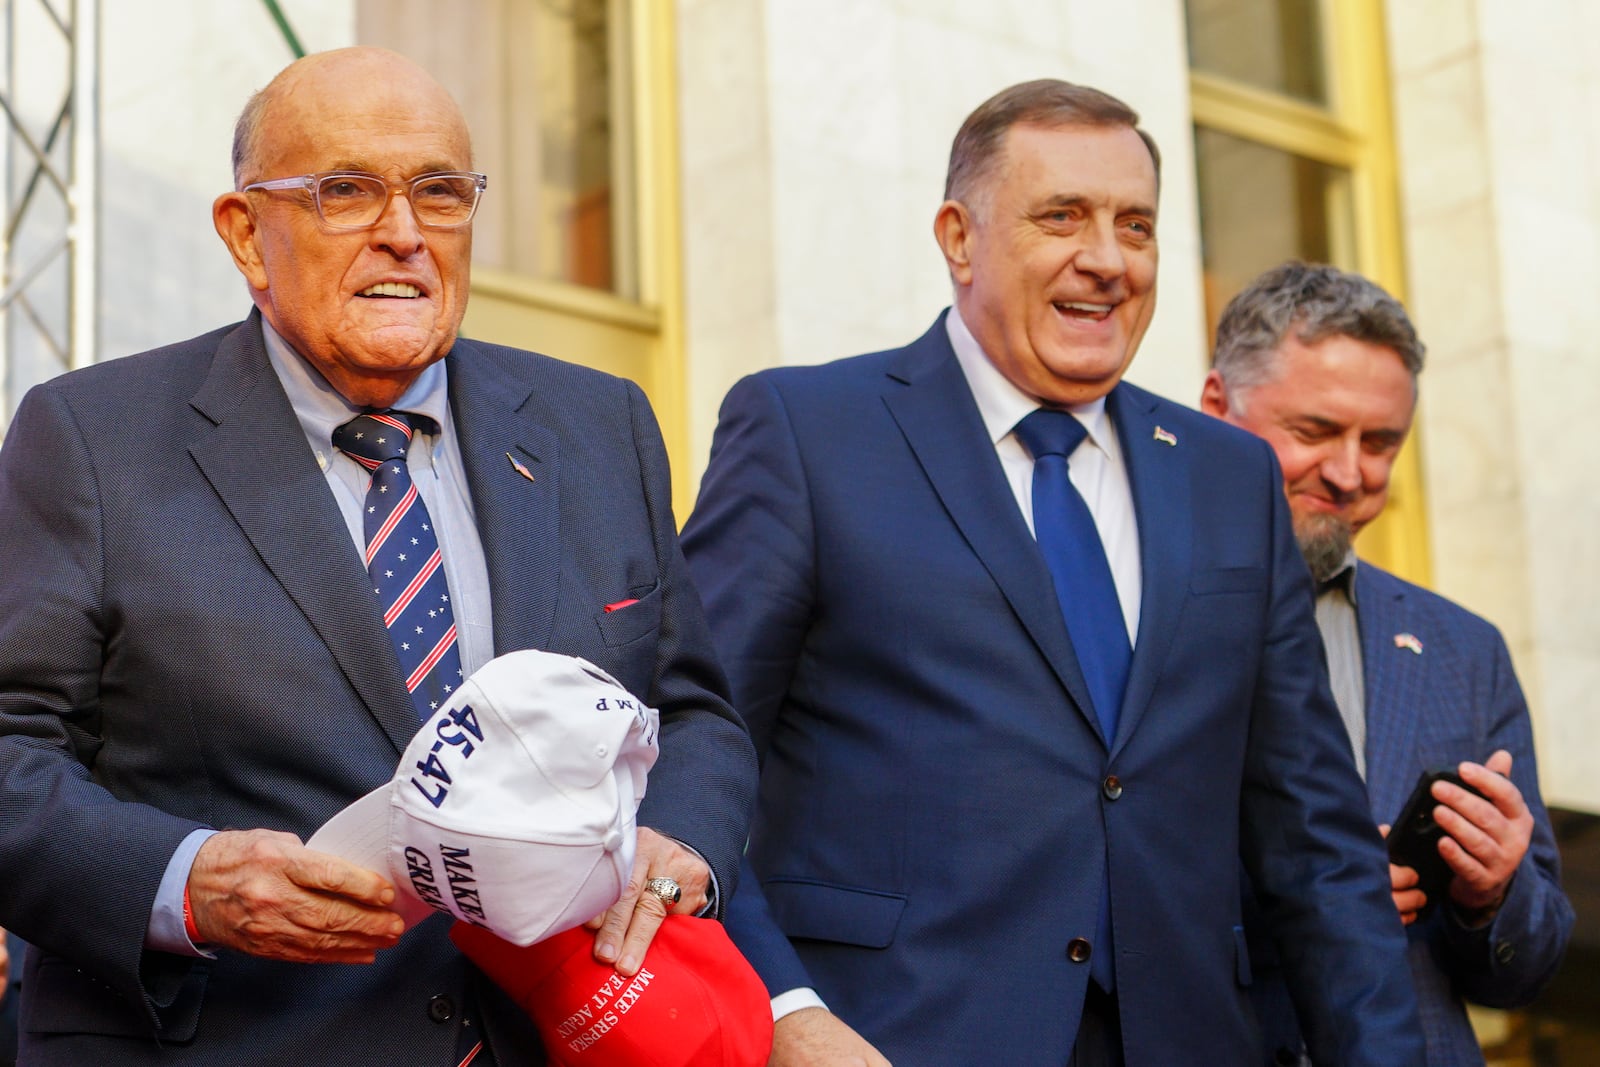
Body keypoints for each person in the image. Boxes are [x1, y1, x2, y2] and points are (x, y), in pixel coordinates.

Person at [0, 47, 755, 1065]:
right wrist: (186, 880)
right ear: (245, 233)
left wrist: (683, 846)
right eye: (345, 192)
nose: (402, 234)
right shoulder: (90, 439)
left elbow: (693, 709)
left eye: (438, 193)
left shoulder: (597, 422)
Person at [680, 79, 1424, 1066]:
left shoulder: (1229, 475)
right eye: (1062, 217)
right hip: (886, 1039)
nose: (1108, 260)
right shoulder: (807, 433)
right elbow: (690, 754)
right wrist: (782, 1008)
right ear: (958, 236)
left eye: (1136, 225)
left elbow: (1317, 844)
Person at [1200, 260, 1574, 1066]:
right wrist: (1312, 886)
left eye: (1381, 443)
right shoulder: (1127, 606)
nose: (1350, 473)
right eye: (1313, 432)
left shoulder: (1464, 649)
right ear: (1216, 410)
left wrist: (1494, 893)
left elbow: (1530, 966)